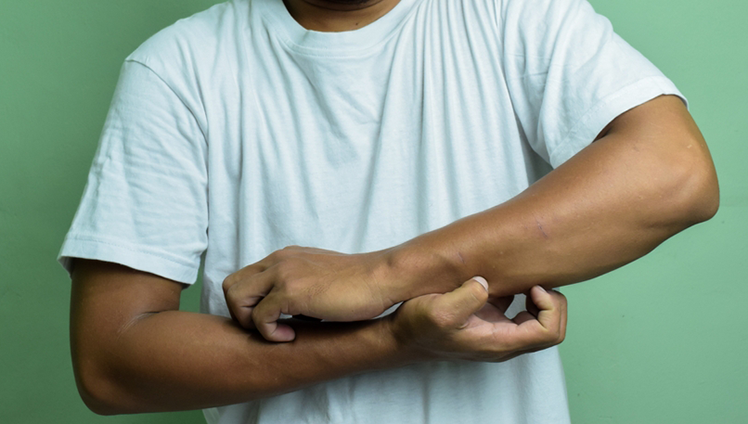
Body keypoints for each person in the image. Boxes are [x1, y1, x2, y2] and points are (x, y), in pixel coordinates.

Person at [59, 0, 719, 422]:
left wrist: (384, 275)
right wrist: (394, 336)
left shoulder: (514, 14)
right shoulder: (179, 68)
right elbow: (111, 362)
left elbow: (676, 173)